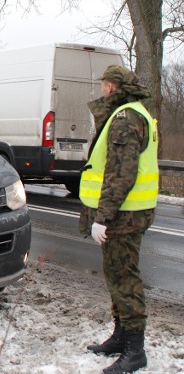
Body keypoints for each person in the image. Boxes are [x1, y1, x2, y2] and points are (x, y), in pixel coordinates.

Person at [79, 65, 159, 374]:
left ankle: (134, 351)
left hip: (123, 215)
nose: (101, 89)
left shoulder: (125, 118)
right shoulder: (135, 112)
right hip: (129, 212)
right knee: (116, 274)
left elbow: (121, 174)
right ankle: (121, 336)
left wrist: (104, 217)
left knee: (125, 277)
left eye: (104, 84)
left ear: (112, 87)